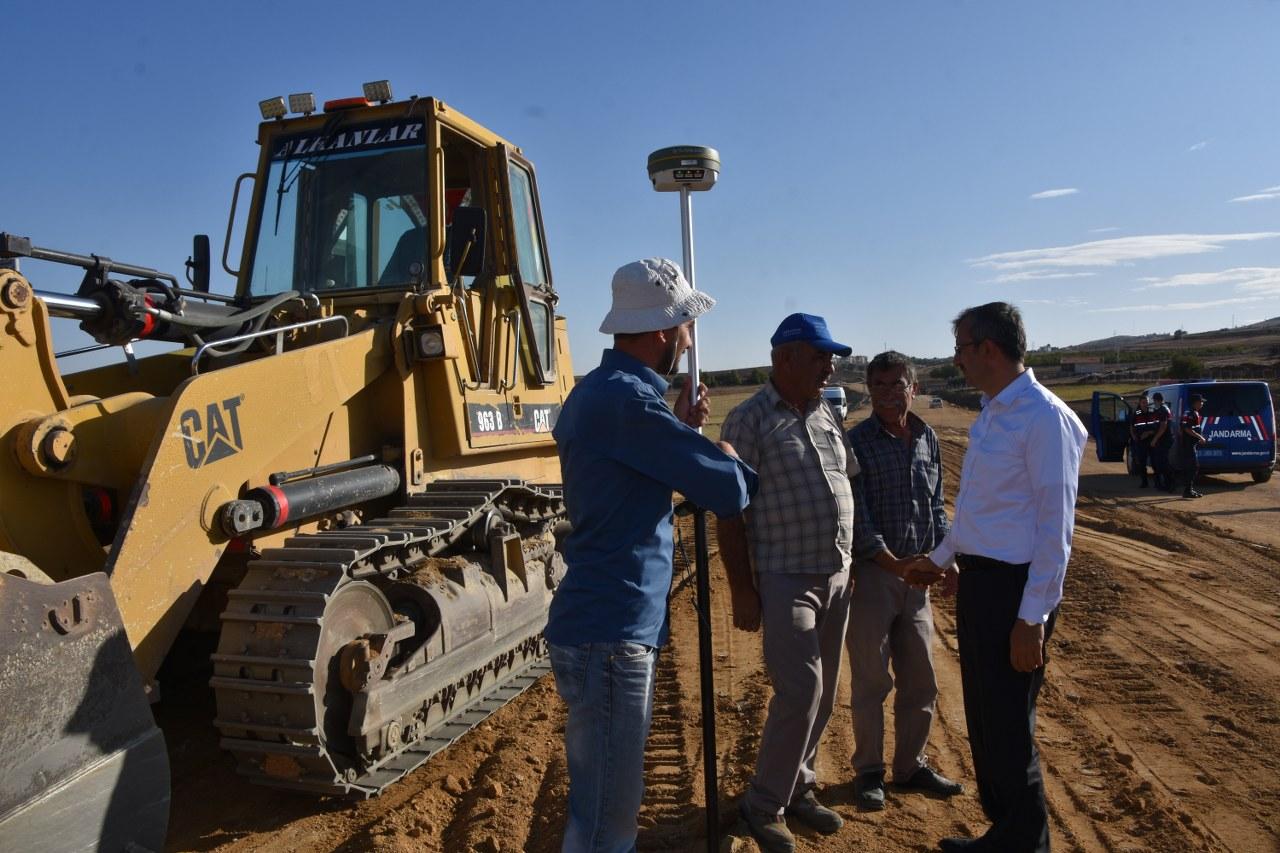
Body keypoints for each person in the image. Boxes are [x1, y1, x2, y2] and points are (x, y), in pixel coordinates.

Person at [546, 257, 757, 853]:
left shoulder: (601, 392)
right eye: (684, 328)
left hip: (597, 624)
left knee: (600, 805)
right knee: (607, 821)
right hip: (610, 634)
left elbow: (629, 483)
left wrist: (678, 436)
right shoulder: (627, 403)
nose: (688, 341)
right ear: (663, 331)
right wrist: (717, 449)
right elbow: (727, 490)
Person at [913, 302, 1087, 853]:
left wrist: (1030, 619)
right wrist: (941, 556)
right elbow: (978, 511)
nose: (957, 360)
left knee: (1010, 722)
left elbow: (1054, 530)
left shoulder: (1043, 416)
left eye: (962, 348)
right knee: (986, 716)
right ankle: (1005, 832)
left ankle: (1026, 842)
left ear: (989, 348)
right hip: (983, 584)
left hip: (1017, 591)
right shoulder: (994, 411)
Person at [718, 313, 858, 853]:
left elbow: (847, 481)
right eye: (821, 356)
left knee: (822, 697)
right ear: (785, 359)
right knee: (801, 690)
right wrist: (742, 589)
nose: (830, 366)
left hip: (837, 574)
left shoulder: (824, 411)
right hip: (784, 577)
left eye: (831, 357)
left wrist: (857, 559)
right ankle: (762, 804)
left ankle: (799, 786)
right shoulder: (749, 421)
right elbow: (730, 513)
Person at [845, 351, 964, 811]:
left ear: (914, 388)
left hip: (918, 580)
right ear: (869, 390)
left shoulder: (926, 437)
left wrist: (946, 557)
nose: (890, 393)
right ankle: (869, 771)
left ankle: (911, 766)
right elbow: (859, 516)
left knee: (922, 679)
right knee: (871, 681)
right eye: (880, 385)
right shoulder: (857, 442)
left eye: (898, 385)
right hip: (876, 575)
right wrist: (895, 563)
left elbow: (935, 503)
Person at [1179, 393, 1208, 499]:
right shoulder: (1190, 413)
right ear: (1195, 403)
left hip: (1190, 444)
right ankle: (1187, 490)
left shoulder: (1193, 413)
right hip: (1188, 445)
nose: (1202, 403)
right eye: (1201, 402)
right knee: (1193, 467)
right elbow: (1187, 429)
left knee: (1192, 467)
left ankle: (1189, 490)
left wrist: (1197, 438)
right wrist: (1200, 437)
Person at [1128, 395, 1156, 488]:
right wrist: (1134, 437)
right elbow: (1132, 427)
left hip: (1152, 440)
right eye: (1143, 402)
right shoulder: (1136, 413)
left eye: (1147, 402)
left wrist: (1148, 433)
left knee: (1155, 462)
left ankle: (1158, 482)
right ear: (1140, 403)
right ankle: (1144, 482)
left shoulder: (1153, 412)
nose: (1145, 404)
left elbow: (1157, 427)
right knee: (1142, 462)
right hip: (1140, 442)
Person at [1148, 392, 1175, 492]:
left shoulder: (1163, 409)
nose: (1153, 403)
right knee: (1160, 462)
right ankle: (1164, 483)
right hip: (1161, 439)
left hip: (1165, 440)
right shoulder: (1159, 409)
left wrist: (1155, 439)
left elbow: (1163, 426)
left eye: (1154, 401)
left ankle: (1171, 483)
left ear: (1157, 400)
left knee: (1163, 463)